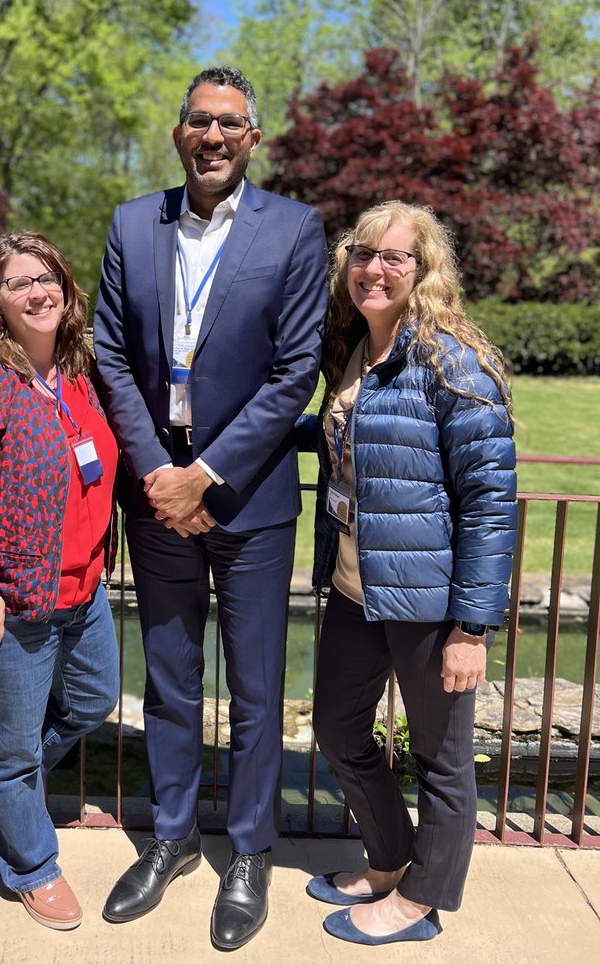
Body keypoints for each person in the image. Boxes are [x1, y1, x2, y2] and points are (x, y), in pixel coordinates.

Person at [93, 65, 328, 950]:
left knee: (259, 690)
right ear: (179, 133)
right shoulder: (130, 224)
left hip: (252, 502)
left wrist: (209, 474)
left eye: (231, 123)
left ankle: (248, 852)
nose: (214, 136)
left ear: (253, 139)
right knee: (168, 680)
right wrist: (160, 473)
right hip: (157, 497)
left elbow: (293, 371)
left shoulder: (296, 230)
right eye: (200, 121)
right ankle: (171, 836)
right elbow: (111, 357)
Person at [300, 201, 516, 946]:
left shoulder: (453, 363)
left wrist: (471, 627)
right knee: (335, 726)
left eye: (396, 257)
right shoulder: (357, 349)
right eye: (364, 253)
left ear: (425, 272)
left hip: (430, 602)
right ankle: (390, 858)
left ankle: (424, 897)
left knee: (442, 759)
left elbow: (490, 504)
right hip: (360, 588)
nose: (376, 268)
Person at [0, 232, 119, 932]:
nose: (37, 292)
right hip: (10, 603)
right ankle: (32, 865)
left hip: (83, 590)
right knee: (13, 747)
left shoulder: (78, 370)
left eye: (47, 279)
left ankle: (2, 778)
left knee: (93, 698)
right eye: (17, 283)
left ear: (66, 290)